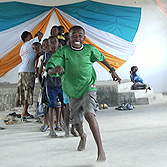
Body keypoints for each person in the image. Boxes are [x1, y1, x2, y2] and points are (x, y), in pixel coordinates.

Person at [46, 25, 121, 161]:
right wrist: (55, 70)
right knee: (76, 122)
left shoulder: (89, 49)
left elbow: (101, 58)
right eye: (74, 35)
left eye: (80, 35)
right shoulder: (64, 52)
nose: (77, 38)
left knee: (89, 113)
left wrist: (112, 71)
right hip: (72, 90)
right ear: (69, 37)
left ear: (84, 38)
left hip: (88, 86)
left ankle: (100, 149)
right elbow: (50, 67)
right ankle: (82, 136)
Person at [15, 31, 43, 121]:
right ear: (26, 38)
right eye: (30, 36)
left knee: (23, 92)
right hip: (28, 71)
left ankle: (25, 111)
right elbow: (40, 36)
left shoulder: (22, 47)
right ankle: (24, 113)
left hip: (22, 71)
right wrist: (37, 35)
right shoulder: (30, 43)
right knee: (28, 91)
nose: (31, 38)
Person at [44, 36, 65, 137]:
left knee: (65, 105)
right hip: (51, 84)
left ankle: (65, 126)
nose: (53, 44)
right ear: (48, 44)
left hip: (62, 84)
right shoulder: (47, 55)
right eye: (51, 42)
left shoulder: (62, 54)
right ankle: (51, 129)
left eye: (55, 41)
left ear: (58, 43)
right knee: (52, 106)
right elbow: (48, 70)